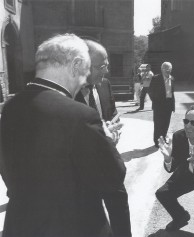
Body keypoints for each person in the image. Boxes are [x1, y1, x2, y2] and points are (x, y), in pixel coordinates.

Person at [0, 34, 126, 237]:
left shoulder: (10, 107)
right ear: (76, 65)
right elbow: (113, 177)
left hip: (21, 224)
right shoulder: (80, 114)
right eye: (86, 70)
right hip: (73, 226)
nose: (86, 78)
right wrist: (107, 141)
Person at [75, 40, 132, 237]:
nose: (106, 71)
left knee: (120, 208)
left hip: (109, 161)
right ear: (84, 66)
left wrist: (112, 128)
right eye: (102, 66)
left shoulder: (104, 84)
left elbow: (112, 111)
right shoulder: (67, 94)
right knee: (92, 219)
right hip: (83, 170)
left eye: (107, 65)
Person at [149, 62, 175, 147]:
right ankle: (157, 142)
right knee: (158, 124)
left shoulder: (172, 78)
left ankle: (163, 139)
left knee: (166, 123)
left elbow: (172, 93)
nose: (168, 70)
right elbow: (150, 92)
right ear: (162, 69)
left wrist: (172, 105)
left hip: (168, 104)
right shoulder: (155, 78)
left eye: (169, 68)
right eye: (166, 68)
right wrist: (156, 102)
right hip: (159, 105)